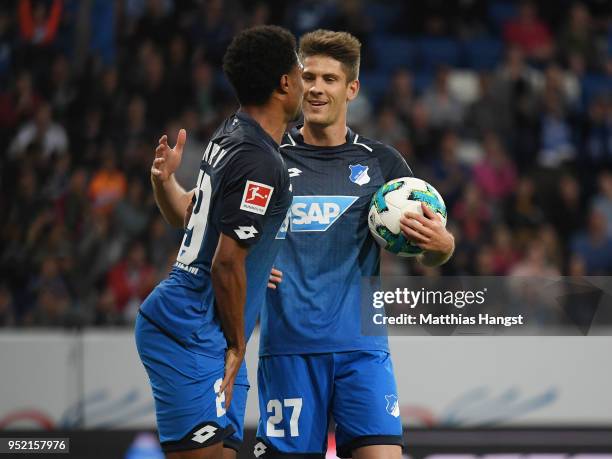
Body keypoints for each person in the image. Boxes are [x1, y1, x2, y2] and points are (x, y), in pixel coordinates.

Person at [256, 30, 454, 459]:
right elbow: (219, 227)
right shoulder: (268, 157)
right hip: (289, 351)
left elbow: (431, 253)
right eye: (308, 77)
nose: (316, 88)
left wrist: (443, 243)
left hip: (362, 350)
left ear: (352, 88)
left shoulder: (382, 164)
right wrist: (252, 261)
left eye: (329, 79)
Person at [135, 25, 302, 459]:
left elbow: (190, 217)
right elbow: (225, 265)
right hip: (192, 328)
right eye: (301, 71)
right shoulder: (259, 160)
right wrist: (238, 345)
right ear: (284, 83)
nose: (305, 81)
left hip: (214, 329)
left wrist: (164, 182)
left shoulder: (233, 132)